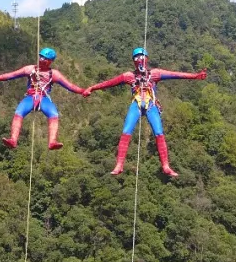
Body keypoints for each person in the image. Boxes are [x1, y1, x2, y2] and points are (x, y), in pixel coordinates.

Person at [84, 47, 206, 177]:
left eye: (141, 57)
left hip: (150, 105)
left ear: (146, 59)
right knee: (126, 131)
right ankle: (119, 165)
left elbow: (176, 75)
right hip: (136, 104)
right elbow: (109, 83)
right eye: (136, 58)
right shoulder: (128, 76)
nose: (139, 60)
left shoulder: (155, 74)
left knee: (159, 133)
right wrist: (92, 88)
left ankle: (165, 165)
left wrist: (195, 76)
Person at [0, 48, 86, 150]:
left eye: (44, 58)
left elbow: (69, 86)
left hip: (44, 98)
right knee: (19, 112)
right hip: (30, 97)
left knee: (54, 114)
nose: (41, 59)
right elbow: (10, 75)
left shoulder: (54, 74)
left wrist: (82, 91)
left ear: (50, 61)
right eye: (40, 57)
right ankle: (13, 140)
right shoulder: (30, 69)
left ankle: (52, 141)